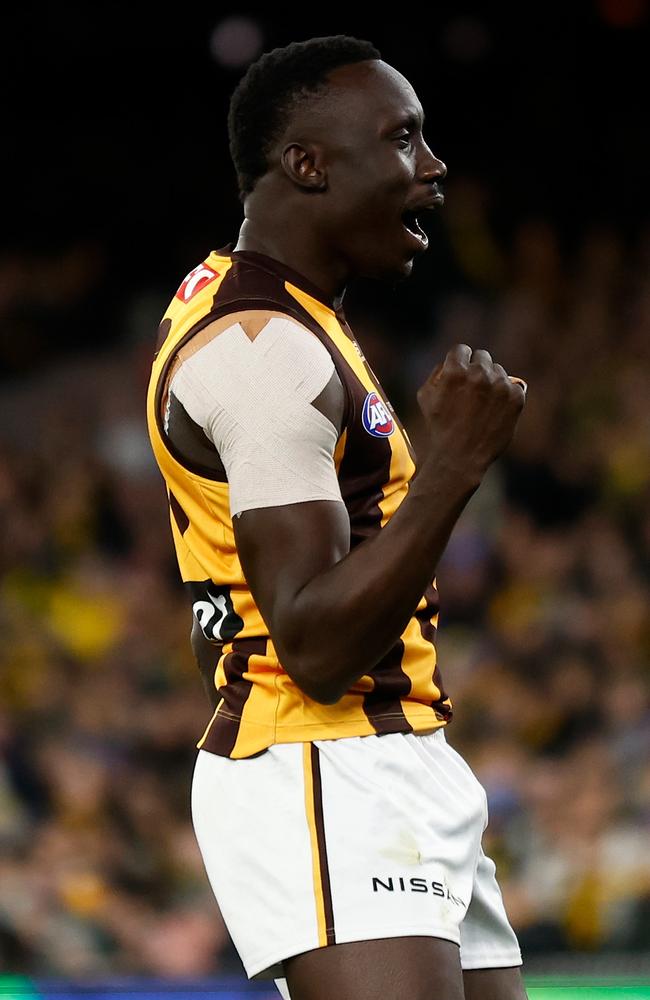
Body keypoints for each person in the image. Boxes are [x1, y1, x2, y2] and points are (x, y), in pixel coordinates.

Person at [146, 34, 528, 1000]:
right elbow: (312, 642)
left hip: (388, 758)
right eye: (404, 140)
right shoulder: (263, 349)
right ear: (307, 165)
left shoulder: (284, 317)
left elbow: (222, 605)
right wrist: (450, 468)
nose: (433, 168)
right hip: (324, 760)